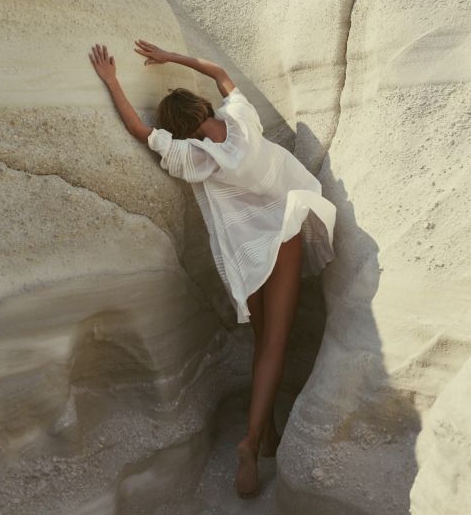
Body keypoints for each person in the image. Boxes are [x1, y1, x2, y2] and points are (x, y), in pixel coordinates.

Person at [88, 40, 336, 499]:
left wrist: (112, 81)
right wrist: (170, 56)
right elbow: (218, 71)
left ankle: (267, 434)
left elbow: (140, 130)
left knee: (264, 343)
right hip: (281, 238)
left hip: (248, 255)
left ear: (180, 130)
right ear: (204, 107)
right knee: (276, 347)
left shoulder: (197, 159)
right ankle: (249, 441)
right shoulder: (241, 119)